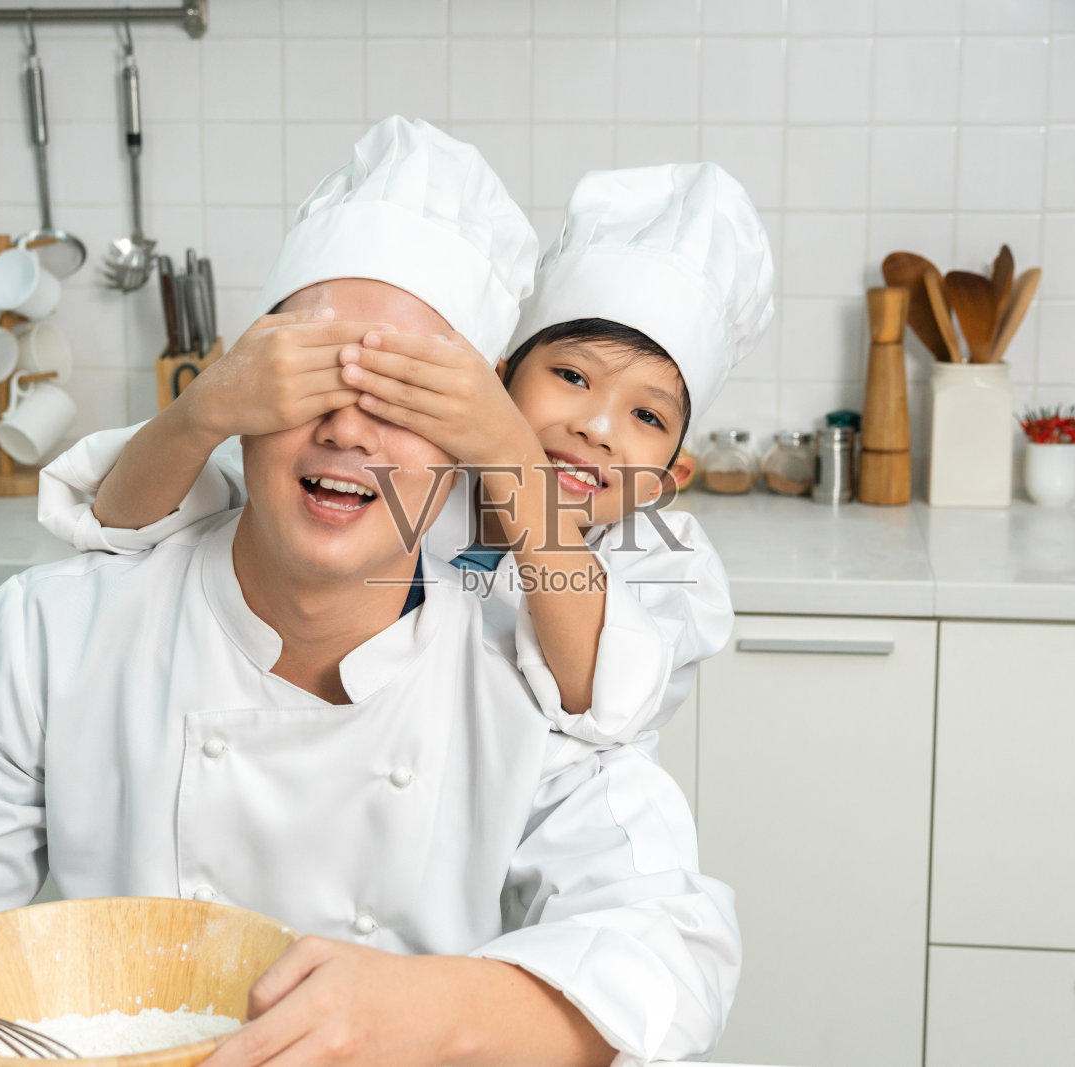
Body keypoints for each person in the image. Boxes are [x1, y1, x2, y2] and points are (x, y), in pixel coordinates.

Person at [0, 118, 738, 1067]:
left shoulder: (529, 675)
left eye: (406, 396)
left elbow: (669, 951)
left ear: (470, 444)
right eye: (314, 372)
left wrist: (432, 1010)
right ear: (247, 380)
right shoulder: (53, 633)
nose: (352, 430)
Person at [38, 162, 775, 746]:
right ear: (495, 380)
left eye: (648, 415)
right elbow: (120, 525)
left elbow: (597, 697)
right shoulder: (398, 472)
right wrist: (207, 407)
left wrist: (511, 454)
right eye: (572, 376)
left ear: (673, 475)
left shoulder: (667, 563)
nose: (598, 427)